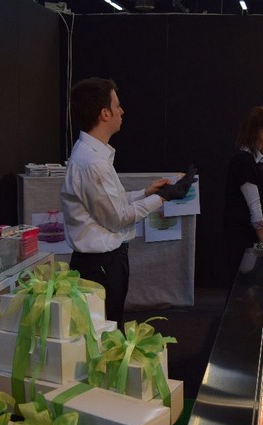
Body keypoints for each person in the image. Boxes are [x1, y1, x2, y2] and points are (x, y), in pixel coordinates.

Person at [61, 77, 196, 324]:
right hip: (99, 266)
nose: (122, 111)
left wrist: (147, 192)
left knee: (108, 327)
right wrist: (163, 196)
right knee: (106, 332)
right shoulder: (92, 162)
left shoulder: (92, 155)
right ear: (104, 113)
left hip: (103, 262)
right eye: (117, 105)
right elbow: (118, 218)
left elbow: (111, 205)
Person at [224, 105, 263, 285]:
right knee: (243, 285)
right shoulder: (243, 161)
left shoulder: (254, 160)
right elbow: (255, 208)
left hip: (247, 235)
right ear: (257, 131)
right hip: (242, 237)